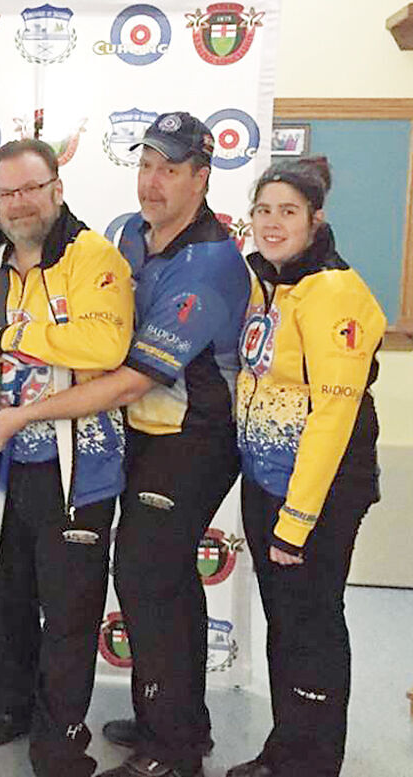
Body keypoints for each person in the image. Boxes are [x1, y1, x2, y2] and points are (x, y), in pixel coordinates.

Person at [0, 113, 249, 777]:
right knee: (165, 579)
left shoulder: (212, 262)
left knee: (146, 573)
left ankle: (171, 749)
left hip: (193, 436)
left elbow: (124, 376)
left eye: (171, 168)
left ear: (201, 177)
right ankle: (179, 716)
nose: (152, 182)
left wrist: (31, 405)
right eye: (146, 165)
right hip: (141, 435)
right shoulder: (128, 233)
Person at [0, 139, 134, 777]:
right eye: (6, 192)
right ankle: (11, 705)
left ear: (57, 189)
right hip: (5, 457)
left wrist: (14, 337)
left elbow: (104, 343)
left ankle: (62, 738)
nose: (19, 202)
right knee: (7, 593)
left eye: (31, 188)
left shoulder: (93, 255)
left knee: (67, 609)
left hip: (77, 465)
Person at [228, 158, 384, 777]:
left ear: (316, 219)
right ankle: (286, 747)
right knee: (287, 625)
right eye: (263, 210)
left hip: (320, 492)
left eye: (288, 211)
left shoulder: (335, 292)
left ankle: (313, 762)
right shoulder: (272, 282)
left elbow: (332, 417)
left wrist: (297, 519)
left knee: (313, 626)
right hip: (270, 480)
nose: (272, 222)